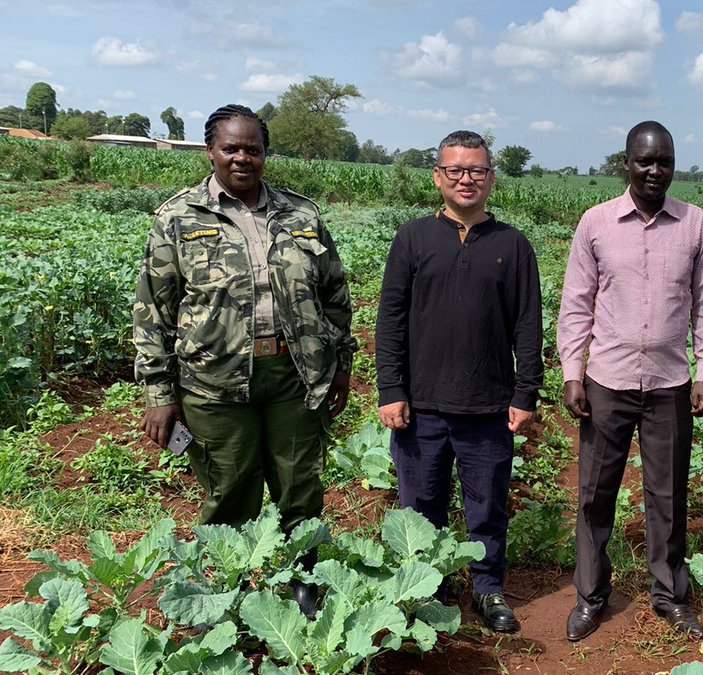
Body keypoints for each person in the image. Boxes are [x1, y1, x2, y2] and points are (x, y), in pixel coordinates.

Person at [134, 103, 356, 617]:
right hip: (213, 383)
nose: (241, 158)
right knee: (229, 489)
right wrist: (159, 394)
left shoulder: (302, 214)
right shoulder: (178, 216)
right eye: (230, 148)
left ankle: (302, 581)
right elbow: (152, 310)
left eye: (251, 149)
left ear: (264, 153)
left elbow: (335, 295)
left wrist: (341, 364)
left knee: (299, 486)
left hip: (295, 377)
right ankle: (229, 590)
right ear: (211, 151)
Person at [558, 121, 703, 642]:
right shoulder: (597, 222)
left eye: (664, 162)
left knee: (668, 496)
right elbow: (577, 302)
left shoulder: (695, 224)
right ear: (625, 163)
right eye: (645, 161)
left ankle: (670, 595)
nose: (655, 171)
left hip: (671, 382)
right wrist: (572, 372)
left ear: (674, 165)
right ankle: (590, 596)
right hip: (608, 380)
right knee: (595, 492)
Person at [376, 130, 542, 634]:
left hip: (488, 406)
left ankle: (488, 588)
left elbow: (527, 325)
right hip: (421, 405)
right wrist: (390, 388)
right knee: (421, 504)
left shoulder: (513, 245)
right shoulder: (412, 239)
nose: (466, 179)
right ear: (438, 177)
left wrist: (525, 393)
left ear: (491, 178)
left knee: (487, 504)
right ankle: (432, 585)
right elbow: (391, 320)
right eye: (455, 170)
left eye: (476, 170)